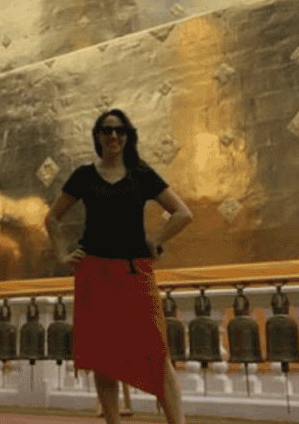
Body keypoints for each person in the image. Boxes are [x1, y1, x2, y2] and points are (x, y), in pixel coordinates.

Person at [45, 109, 194, 424]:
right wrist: (61, 253)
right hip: (94, 272)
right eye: (106, 130)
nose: (113, 136)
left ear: (128, 136)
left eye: (120, 131)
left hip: (134, 272)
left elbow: (182, 213)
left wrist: (156, 239)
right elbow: (52, 217)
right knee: (103, 358)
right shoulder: (84, 175)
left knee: (157, 353)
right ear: (97, 136)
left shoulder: (140, 173)